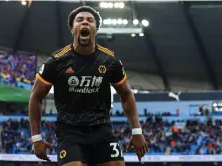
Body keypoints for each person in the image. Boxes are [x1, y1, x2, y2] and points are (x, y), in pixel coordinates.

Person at [29, 6, 148, 166]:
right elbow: (36, 96)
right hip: (70, 132)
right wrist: (36, 138)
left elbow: (126, 94)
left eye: (90, 20)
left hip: (102, 130)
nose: (85, 22)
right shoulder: (57, 61)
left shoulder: (110, 60)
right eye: (80, 20)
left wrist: (137, 131)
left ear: (96, 29)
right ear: (73, 29)